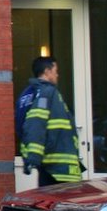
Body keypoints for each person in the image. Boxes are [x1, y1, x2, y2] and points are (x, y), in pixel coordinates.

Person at [16, 56, 83, 187]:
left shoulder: (27, 94)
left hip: (47, 164)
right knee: (60, 204)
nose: (57, 75)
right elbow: (36, 124)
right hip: (58, 167)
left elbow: (21, 126)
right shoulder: (48, 93)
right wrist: (34, 157)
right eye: (55, 70)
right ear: (47, 71)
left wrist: (30, 157)